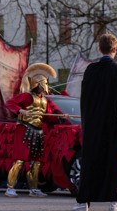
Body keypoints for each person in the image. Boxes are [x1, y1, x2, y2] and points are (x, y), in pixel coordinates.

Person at [73, 34, 117, 211]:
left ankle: (83, 201)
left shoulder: (90, 70)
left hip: (92, 124)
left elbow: (84, 99)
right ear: (115, 50)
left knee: (89, 162)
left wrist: (86, 122)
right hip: (113, 124)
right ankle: (113, 202)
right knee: (112, 163)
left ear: (100, 48)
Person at [4, 63, 69, 198]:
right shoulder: (26, 96)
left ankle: (33, 189)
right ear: (36, 84)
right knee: (20, 160)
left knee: (36, 162)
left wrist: (61, 117)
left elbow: (49, 116)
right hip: (24, 129)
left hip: (38, 131)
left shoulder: (45, 100)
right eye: (42, 84)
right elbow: (9, 103)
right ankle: (10, 187)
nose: (44, 87)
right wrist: (20, 110)